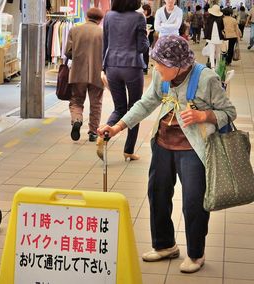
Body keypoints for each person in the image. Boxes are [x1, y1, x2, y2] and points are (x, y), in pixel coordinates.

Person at [97, 35, 236, 274]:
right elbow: (145, 103)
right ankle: (164, 245)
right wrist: (118, 127)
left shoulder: (206, 78)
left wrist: (205, 116)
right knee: (157, 194)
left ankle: (196, 253)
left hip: (193, 148)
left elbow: (229, 111)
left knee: (193, 202)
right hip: (162, 144)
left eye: (161, 64)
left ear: (179, 64)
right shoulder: (161, 78)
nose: (156, 69)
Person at [98, 0, 149, 161]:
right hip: (132, 66)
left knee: (119, 108)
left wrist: (103, 67)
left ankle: (104, 135)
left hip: (112, 65)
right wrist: (146, 37)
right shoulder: (139, 18)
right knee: (135, 108)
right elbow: (142, 47)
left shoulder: (109, 16)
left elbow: (105, 44)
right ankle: (128, 150)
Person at [65, 8, 104, 142]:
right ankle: (93, 132)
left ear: (87, 17)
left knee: (76, 100)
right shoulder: (103, 33)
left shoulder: (75, 30)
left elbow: (68, 52)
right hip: (97, 73)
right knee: (96, 103)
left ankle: (77, 119)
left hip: (77, 72)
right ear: (100, 20)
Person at [204, 5, 224, 69]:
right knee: (218, 53)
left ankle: (212, 67)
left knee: (211, 53)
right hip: (219, 38)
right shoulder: (221, 19)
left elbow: (206, 28)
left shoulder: (209, 18)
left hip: (210, 38)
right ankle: (218, 66)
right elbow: (222, 28)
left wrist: (206, 36)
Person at [142, 4, 155, 75]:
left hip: (149, 37)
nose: (144, 12)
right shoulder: (141, 17)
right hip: (141, 37)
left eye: (145, 10)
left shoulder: (152, 18)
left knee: (145, 53)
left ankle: (145, 69)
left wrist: (150, 30)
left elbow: (154, 27)